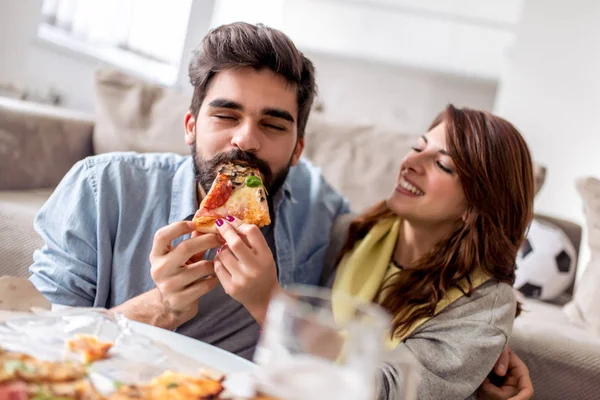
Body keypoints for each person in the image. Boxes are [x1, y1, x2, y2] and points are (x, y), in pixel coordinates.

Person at [28, 21, 532, 399]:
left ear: (297, 149)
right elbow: (51, 352)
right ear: (189, 124)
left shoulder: (323, 218)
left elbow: (420, 318)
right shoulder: (102, 188)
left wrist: (483, 359)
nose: (244, 140)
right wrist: (160, 306)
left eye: (273, 125)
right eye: (225, 114)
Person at [322, 105, 535, 399]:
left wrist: (269, 303)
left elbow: (393, 393)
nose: (411, 161)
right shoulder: (352, 233)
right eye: (417, 147)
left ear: (476, 206)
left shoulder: (484, 307)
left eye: (443, 165)